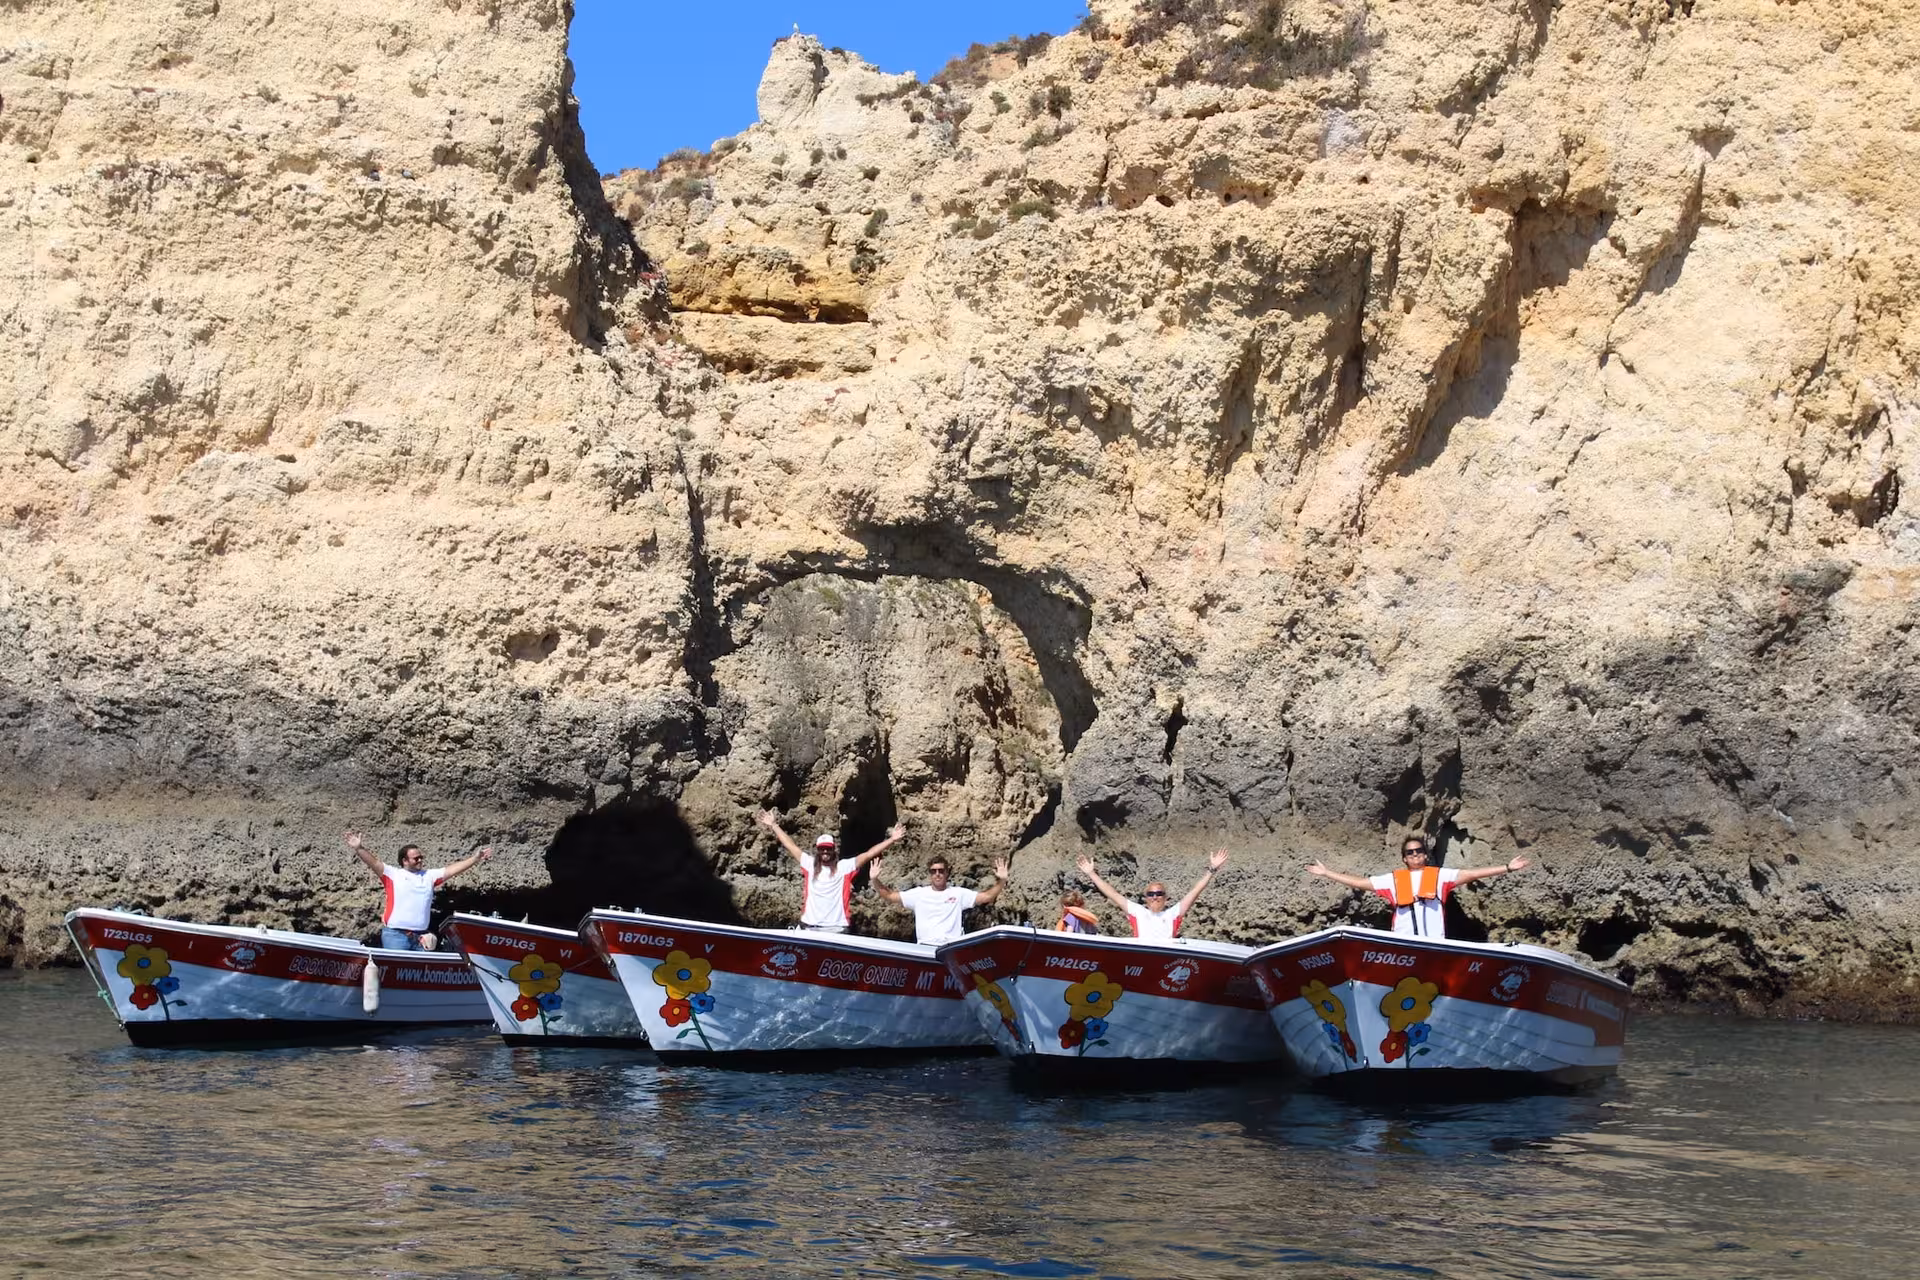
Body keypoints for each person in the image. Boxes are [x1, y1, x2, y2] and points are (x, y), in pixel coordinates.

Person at [1305, 833, 1531, 939]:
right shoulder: (1392, 880)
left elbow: (1471, 874)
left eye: (1419, 851)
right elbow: (1360, 882)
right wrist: (1327, 873)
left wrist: (1507, 867)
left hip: (1434, 945)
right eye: (1409, 852)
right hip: (1403, 945)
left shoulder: (1441, 876)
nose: (1415, 855)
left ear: (1425, 855)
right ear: (1404, 858)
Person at [756, 809, 905, 932]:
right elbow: (791, 846)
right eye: (822, 849)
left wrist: (892, 840)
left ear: (834, 850)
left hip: (836, 929)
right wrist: (774, 825)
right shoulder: (809, 864)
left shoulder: (844, 867)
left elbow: (868, 854)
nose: (825, 852)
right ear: (818, 850)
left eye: (828, 849)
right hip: (809, 927)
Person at [346, 831, 491, 950]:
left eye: (421, 857)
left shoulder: (429, 876)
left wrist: (475, 858)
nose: (420, 860)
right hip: (396, 936)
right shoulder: (393, 874)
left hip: (422, 937)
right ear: (405, 861)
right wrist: (359, 848)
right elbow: (373, 862)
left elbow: (453, 870)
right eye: (416, 858)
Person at [1076, 849, 1229, 940]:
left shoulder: (1173, 913)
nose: (1155, 897)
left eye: (1159, 893)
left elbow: (1195, 892)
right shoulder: (1137, 912)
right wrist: (1091, 873)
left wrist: (1212, 869)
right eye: (1151, 894)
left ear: (1165, 898)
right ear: (1146, 898)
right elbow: (1113, 894)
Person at [871, 854, 1010, 945]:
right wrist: (875, 879)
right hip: (925, 948)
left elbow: (987, 897)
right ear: (930, 874)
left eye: (941, 871)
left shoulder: (958, 893)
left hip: (951, 949)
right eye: (933, 871)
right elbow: (889, 896)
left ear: (947, 873)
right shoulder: (918, 894)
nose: (937, 874)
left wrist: (1002, 880)